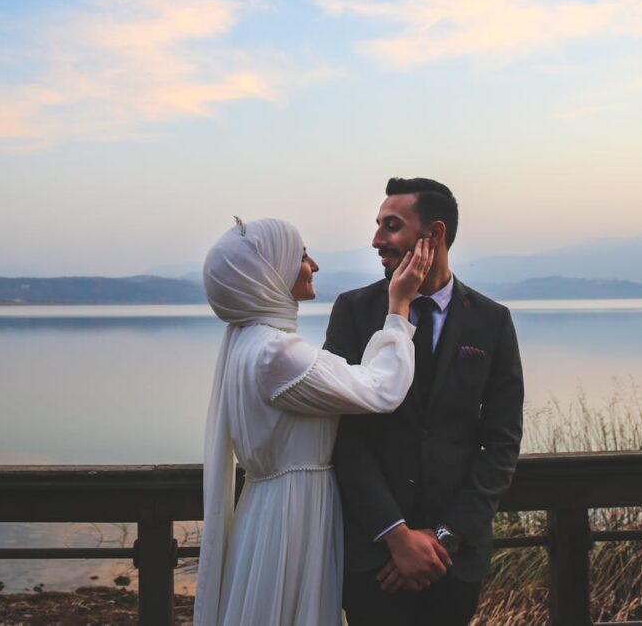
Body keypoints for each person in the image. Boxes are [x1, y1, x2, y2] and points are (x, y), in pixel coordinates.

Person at [195, 216, 434, 626]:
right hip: (294, 515)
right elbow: (381, 389)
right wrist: (398, 308)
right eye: (302, 256)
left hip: (267, 507)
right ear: (266, 274)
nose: (313, 265)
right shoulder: (277, 354)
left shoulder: (245, 344)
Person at [325, 178, 525, 626]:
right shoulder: (354, 311)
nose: (377, 240)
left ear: (433, 233)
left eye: (391, 226)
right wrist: (396, 537)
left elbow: (502, 440)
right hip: (373, 560)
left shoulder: (492, 321)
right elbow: (342, 432)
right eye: (378, 226)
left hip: (452, 562)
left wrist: (441, 539)